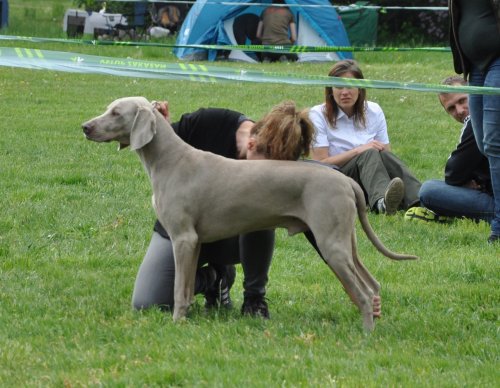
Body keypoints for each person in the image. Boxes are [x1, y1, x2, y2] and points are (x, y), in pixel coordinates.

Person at [132, 101, 315, 319]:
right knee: (148, 302)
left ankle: (254, 299)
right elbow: (160, 147)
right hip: (181, 229)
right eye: (268, 166)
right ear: (252, 144)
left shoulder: (274, 163)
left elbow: (316, 223)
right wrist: (163, 124)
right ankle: (214, 278)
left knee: (261, 207)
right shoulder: (208, 122)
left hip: (234, 239)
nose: (270, 175)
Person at [309, 59, 421, 215]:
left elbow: (385, 154)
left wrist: (366, 151)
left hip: (369, 175)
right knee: (368, 153)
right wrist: (358, 151)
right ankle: (382, 203)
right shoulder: (318, 114)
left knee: (382, 154)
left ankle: (421, 200)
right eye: (339, 86)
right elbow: (320, 164)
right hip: (337, 177)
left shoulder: (374, 110)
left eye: (350, 85)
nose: (345, 92)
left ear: (360, 88)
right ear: (330, 90)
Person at [407, 76, 494, 223]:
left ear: (472, 94)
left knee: (429, 190)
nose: (459, 111)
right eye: (451, 108)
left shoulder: (476, 120)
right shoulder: (490, 112)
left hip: (494, 201)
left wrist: (463, 179)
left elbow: (453, 173)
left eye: (462, 101)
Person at [449, 0, 500, 243]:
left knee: (493, 142)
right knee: (484, 144)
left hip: (497, 61)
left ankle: (499, 227)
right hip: (474, 66)